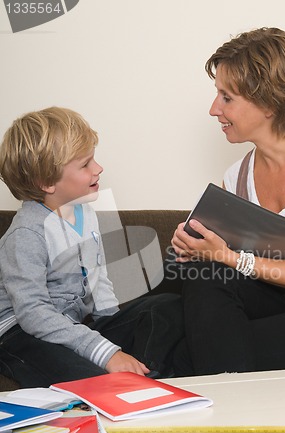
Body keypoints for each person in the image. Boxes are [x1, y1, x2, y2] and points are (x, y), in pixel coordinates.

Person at [171, 27, 285, 375]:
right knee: (204, 275)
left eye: (227, 97)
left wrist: (230, 257)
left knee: (187, 353)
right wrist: (194, 249)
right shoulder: (237, 176)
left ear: (269, 104)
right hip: (278, 307)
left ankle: (227, 416)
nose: (215, 109)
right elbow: (223, 276)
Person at [0, 106, 189, 387]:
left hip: (74, 327)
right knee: (94, 380)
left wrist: (117, 330)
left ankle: (149, 378)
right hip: (22, 333)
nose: (98, 168)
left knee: (165, 308)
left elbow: (98, 278)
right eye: (85, 164)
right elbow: (34, 314)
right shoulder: (27, 234)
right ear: (46, 183)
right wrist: (106, 353)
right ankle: (131, 386)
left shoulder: (84, 212)